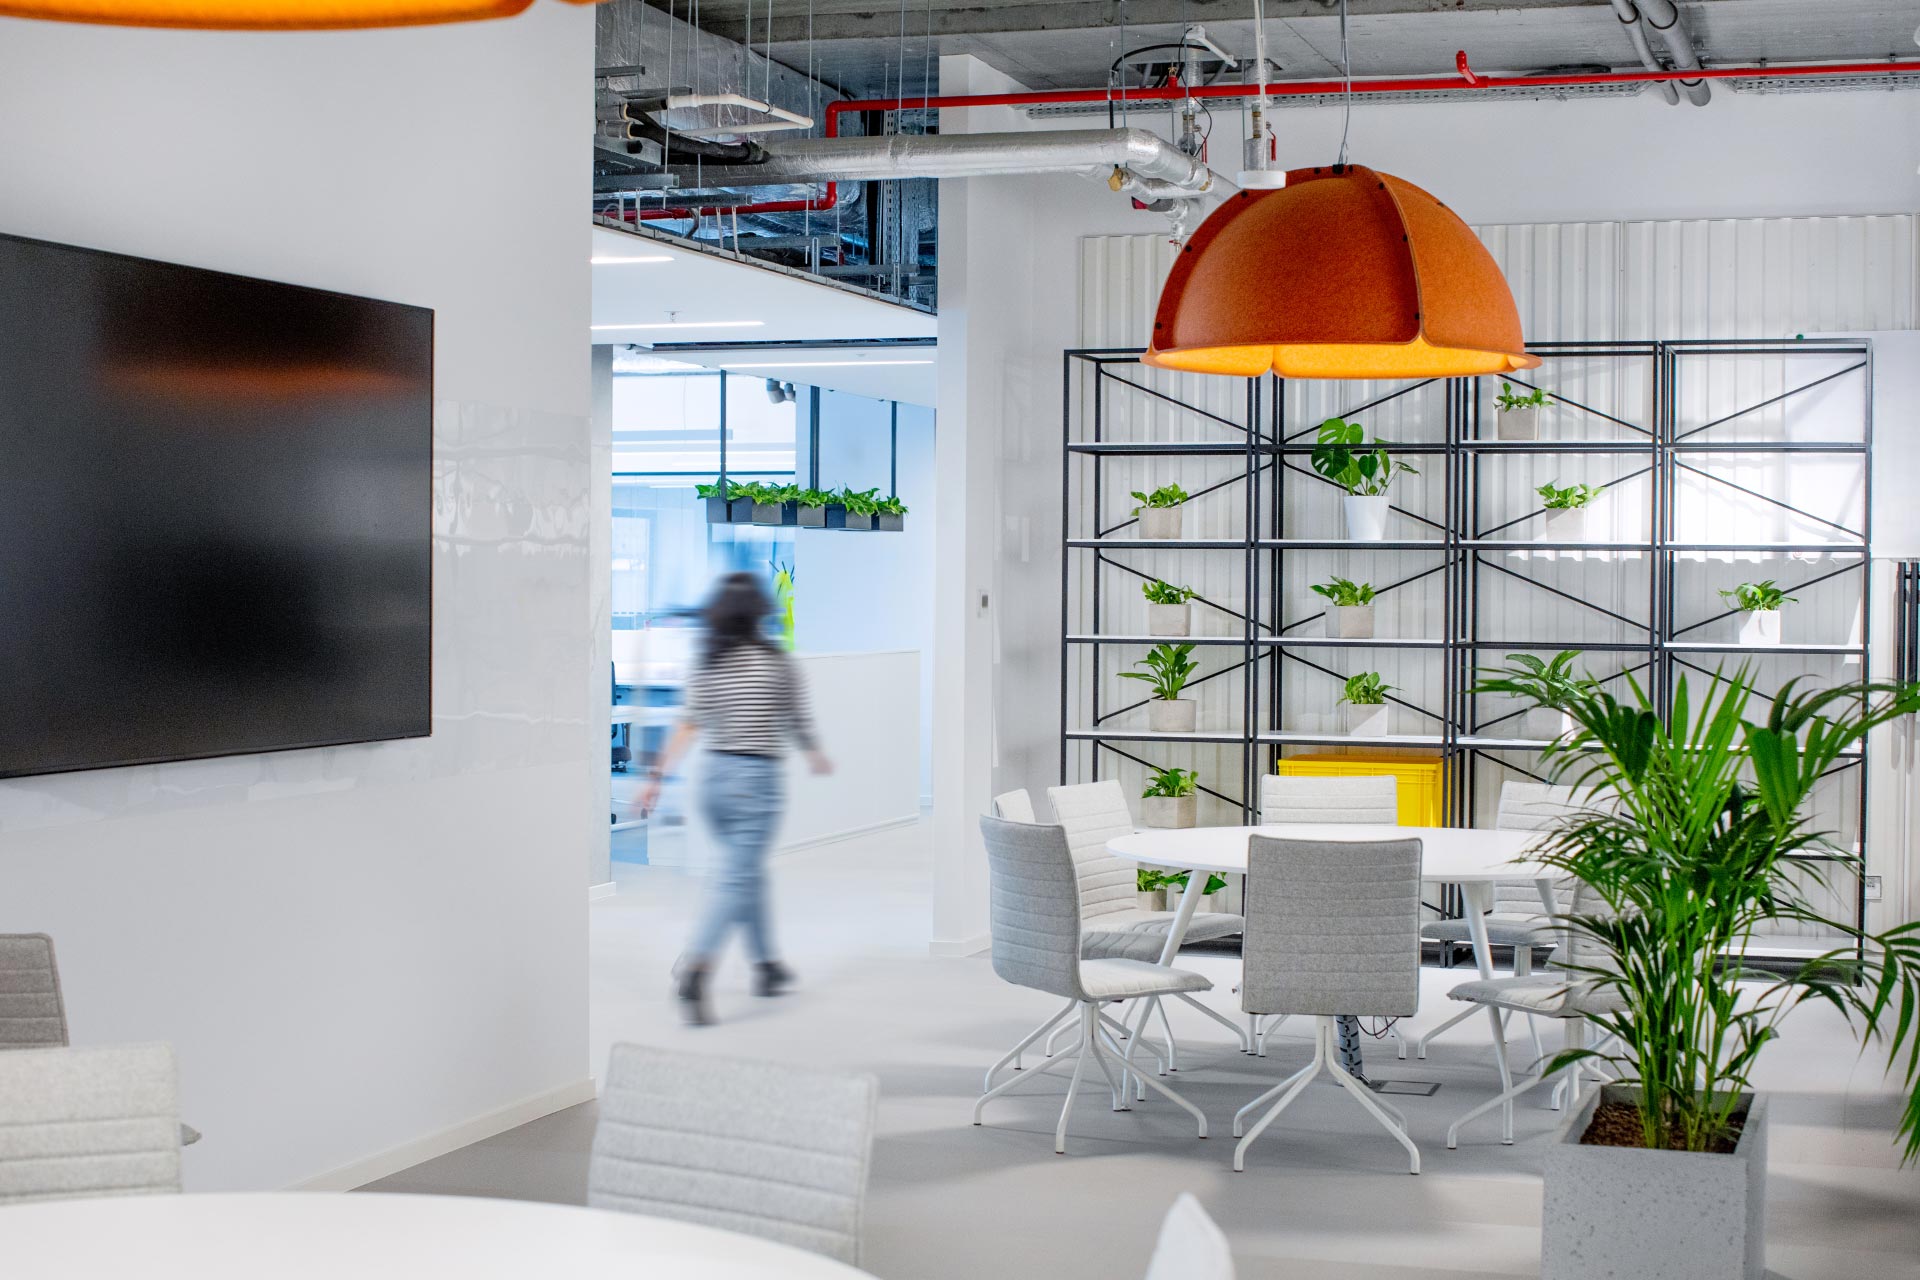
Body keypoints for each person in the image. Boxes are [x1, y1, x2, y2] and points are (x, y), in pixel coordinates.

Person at [639, 572, 831, 1026]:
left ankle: (767, 965)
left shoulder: (708, 663)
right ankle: (696, 966)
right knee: (735, 878)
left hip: (712, 780)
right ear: (760, 611)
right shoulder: (777, 663)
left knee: (744, 872)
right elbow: (796, 718)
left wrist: (656, 777)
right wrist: (813, 752)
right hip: (755, 781)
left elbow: (688, 724)